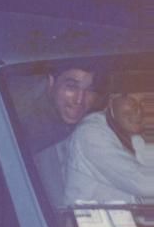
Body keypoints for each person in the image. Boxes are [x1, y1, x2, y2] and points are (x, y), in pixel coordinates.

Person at [17, 61, 101, 205]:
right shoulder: (27, 125)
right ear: (51, 82)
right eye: (71, 87)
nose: (79, 100)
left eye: (89, 90)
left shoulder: (93, 119)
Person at [64, 75, 154, 205]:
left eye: (144, 102)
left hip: (125, 215)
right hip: (87, 218)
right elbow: (142, 182)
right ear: (111, 101)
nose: (139, 110)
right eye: (131, 101)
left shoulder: (134, 138)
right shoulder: (91, 134)